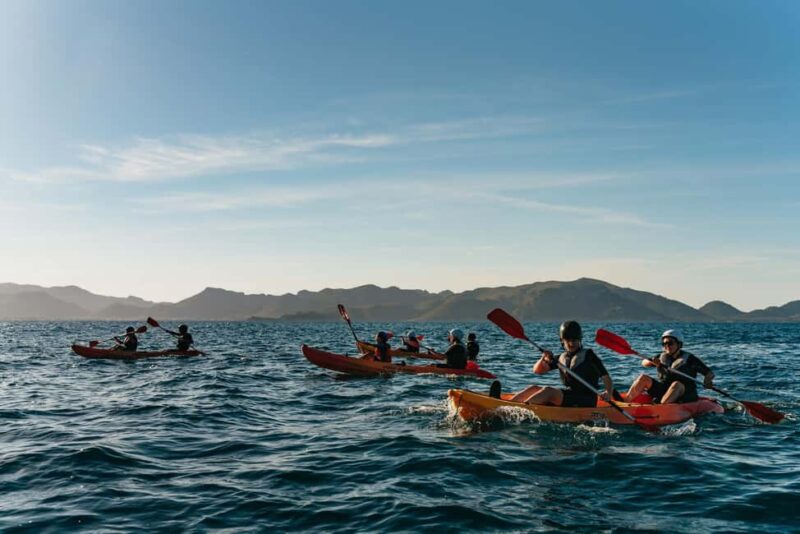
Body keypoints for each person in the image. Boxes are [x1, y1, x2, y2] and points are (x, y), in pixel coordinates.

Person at [508, 320, 616, 407]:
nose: (571, 343)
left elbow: (606, 377)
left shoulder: (589, 355)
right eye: (568, 340)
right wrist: (543, 358)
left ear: (580, 340)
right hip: (570, 395)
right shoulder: (560, 358)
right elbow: (537, 370)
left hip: (586, 399)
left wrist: (608, 392)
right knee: (533, 388)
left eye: (574, 340)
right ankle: (507, 406)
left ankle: (520, 410)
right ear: (562, 341)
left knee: (548, 391)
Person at [625, 329, 714, 404]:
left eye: (670, 343)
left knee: (676, 384)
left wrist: (707, 380)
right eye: (664, 344)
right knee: (643, 378)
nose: (667, 346)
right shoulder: (661, 357)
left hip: (684, 393)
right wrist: (651, 362)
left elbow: (709, 373)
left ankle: (662, 408)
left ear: (679, 344)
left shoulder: (690, 359)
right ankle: (625, 402)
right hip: (664, 389)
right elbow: (643, 363)